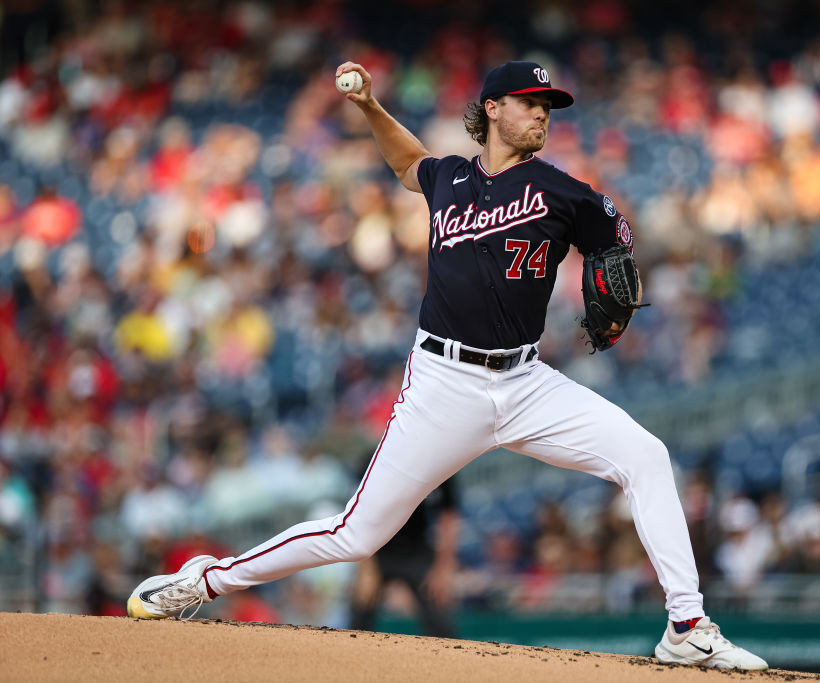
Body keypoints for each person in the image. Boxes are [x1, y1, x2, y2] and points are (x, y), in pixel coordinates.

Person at [127, 60, 767, 671]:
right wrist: (371, 106)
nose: (542, 114)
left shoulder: (561, 190)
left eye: (548, 106)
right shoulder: (451, 179)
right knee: (357, 535)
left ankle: (688, 629)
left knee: (647, 456)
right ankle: (205, 581)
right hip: (444, 383)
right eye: (530, 103)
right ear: (493, 109)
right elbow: (409, 162)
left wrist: (617, 266)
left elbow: (616, 242)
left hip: (525, 382)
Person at [349, 466, 459, 638]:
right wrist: (365, 569)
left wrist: (443, 568)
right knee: (359, 615)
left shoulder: (444, 464)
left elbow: (448, 517)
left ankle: (453, 664)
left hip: (417, 550)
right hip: (377, 550)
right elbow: (360, 514)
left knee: (440, 619)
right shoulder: (373, 460)